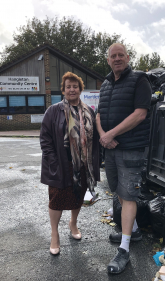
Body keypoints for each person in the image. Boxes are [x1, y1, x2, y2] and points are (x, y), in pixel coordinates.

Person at [96, 43, 152, 274]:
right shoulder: (106, 84)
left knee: (128, 196)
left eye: (121, 55)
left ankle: (124, 250)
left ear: (128, 58)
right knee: (118, 191)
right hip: (110, 147)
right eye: (113, 56)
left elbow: (140, 113)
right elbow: (99, 114)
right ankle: (134, 231)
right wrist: (103, 136)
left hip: (131, 148)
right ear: (108, 60)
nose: (117, 58)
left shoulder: (140, 80)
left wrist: (112, 134)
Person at [40, 72, 100, 256]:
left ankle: (73, 223)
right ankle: (54, 234)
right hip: (60, 163)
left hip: (82, 164)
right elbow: (45, 138)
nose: (72, 89)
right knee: (56, 199)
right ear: (63, 90)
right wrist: (52, 161)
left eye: (75, 86)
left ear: (80, 89)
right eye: (68, 87)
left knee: (77, 196)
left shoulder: (89, 111)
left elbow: (95, 137)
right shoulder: (53, 111)